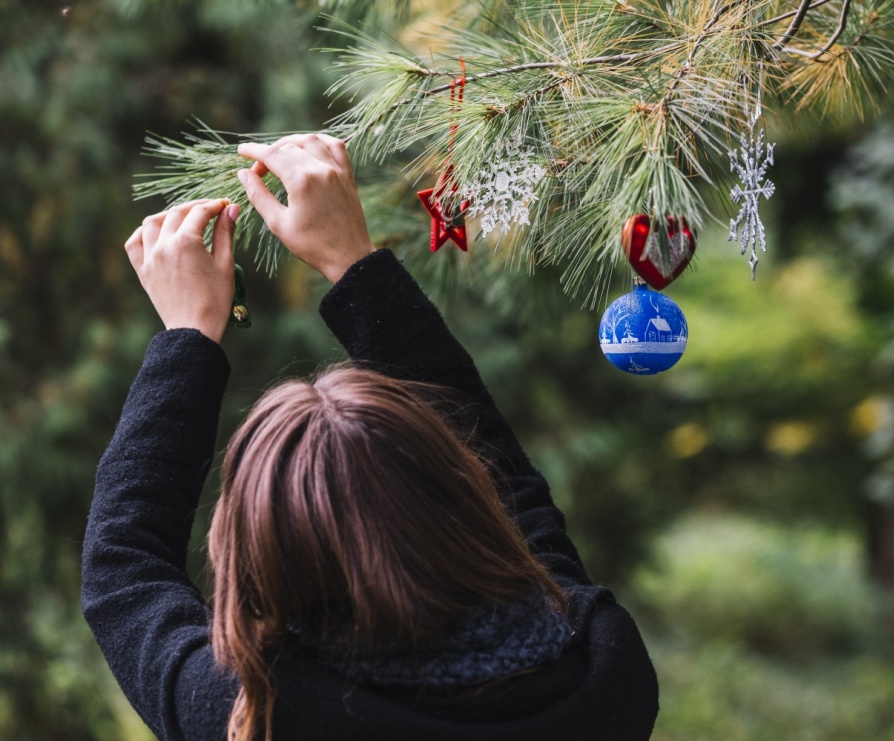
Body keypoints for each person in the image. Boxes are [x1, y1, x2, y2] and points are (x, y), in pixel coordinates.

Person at [82, 134, 659, 741]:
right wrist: (354, 263)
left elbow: (122, 572)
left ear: (260, 552)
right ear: (462, 494)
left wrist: (189, 332)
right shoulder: (599, 669)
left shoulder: (259, 713)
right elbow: (514, 496)